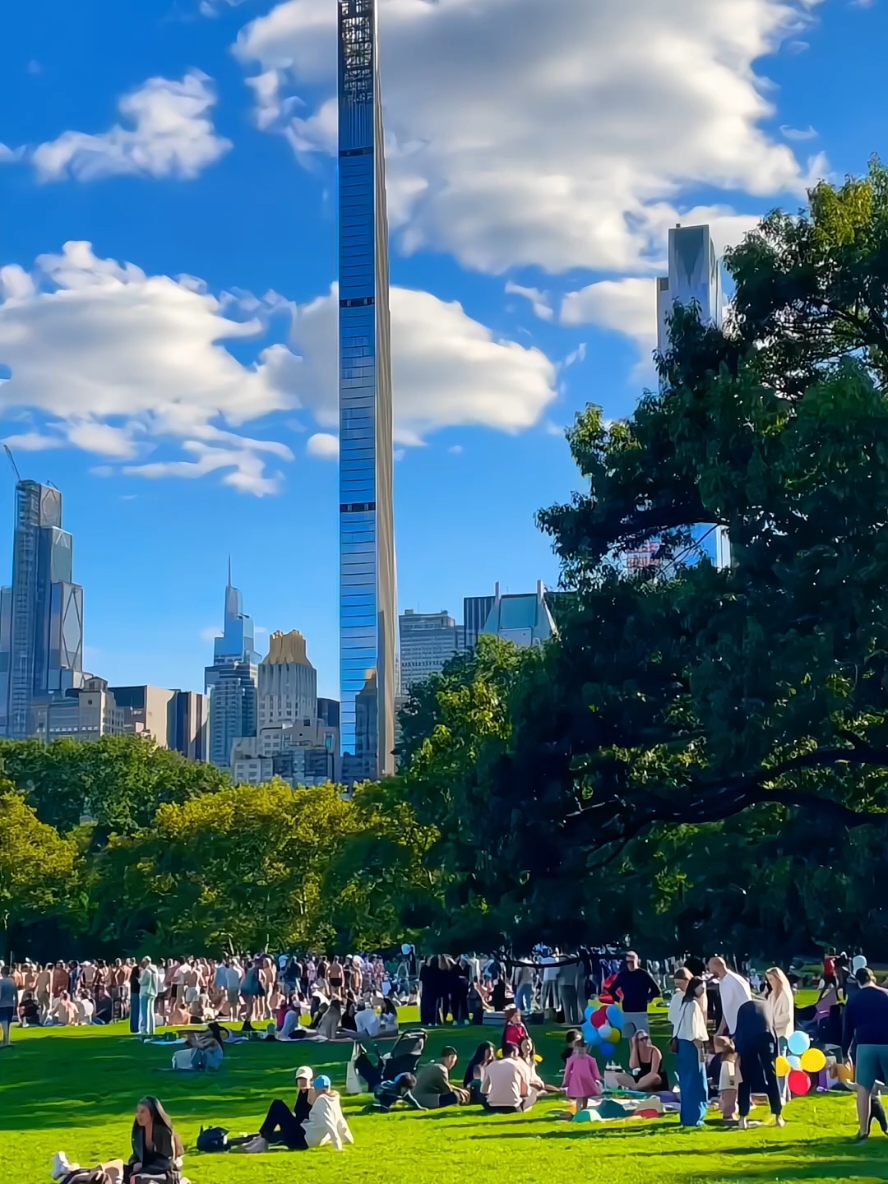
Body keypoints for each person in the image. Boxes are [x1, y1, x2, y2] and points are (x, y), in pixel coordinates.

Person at [53, 1096, 184, 1184]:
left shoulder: (164, 1133)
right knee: (117, 1165)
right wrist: (136, 1163)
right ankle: (70, 1170)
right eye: (137, 1111)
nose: (139, 1115)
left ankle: (67, 1170)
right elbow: (136, 1156)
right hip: (141, 1169)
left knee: (136, 1178)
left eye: (143, 1111)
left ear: (152, 1113)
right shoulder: (140, 1132)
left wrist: (144, 1167)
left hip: (163, 1174)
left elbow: (167, 1164)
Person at [843, 966, 888, 1140]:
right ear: (873, 978)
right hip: (887, 1043)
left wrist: (845, 1052)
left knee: (863, 1089)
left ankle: (863, 1131)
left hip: (865, 1046)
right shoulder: (886, 995)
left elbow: (847, 1029)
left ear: (858, 982)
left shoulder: (854, 999)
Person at [734, 996, 783, 1129]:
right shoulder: (767, 1006)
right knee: (771, 1075)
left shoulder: (743, 1009)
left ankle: (742, 1118)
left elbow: (739, 1031)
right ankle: (778, 1115)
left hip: (749, 1039)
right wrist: (776, 1053)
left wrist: (738, 1051)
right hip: (766, 1037)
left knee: (745, 1078)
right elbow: (773, 1029)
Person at [242, 1066, 315, 1152]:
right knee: (278, 1106)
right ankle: (262, 1138)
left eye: (304, 1079)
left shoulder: (312, 1093)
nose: (302, 1082)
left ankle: (262, 1140)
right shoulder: (301, 1093)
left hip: (302, 1139)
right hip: (297, 1134)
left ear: (311, 1080)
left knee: (278, 1106)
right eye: (300, 1079)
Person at [674, 975, 709, 1128]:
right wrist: (700, 1050)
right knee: (696, 1082)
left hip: (682, 1046)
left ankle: (687, 1117)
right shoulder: (694, 1005)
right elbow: (694, 1032)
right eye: (701, 987)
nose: (703, 990)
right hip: (692, 1046)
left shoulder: (684, 1003)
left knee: (686, 1082)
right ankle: (695, 1117)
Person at [612, 951, 660, 1039]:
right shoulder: (623, 975)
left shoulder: (643, 974)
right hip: (626, 1012)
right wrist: (617, 998)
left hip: (640, 1012)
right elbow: (612, 988)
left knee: (643, 1039)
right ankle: (633, 1053)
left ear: (637, 961)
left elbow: (656, 990)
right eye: (628, 962)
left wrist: (646, 998)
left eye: (632, 962)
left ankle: (644, 1053)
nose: (630, 964)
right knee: (629, 1039)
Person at [481, 1042, 532, 1113]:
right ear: (514, 1053)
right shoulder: (519, 1065)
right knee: (532, 1095)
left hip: (492, 1106)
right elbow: (524, 1092)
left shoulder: (491, 1065)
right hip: (513, 1106)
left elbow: (483, 1090)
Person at [709, 957, 752, 1038]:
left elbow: (745, 1003)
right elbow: (727, 1009)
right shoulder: (726, 981)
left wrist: (720, 1031)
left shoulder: (731, 982)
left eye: (710, 968)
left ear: (716, 966)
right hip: (736, 1027)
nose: (710, 971)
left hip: (741, 1027)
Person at [563, 1039, 602, 1111]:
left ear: (586, 1049)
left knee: (585, 1095)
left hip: (587, 1079)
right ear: (575, 1049)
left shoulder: (589, 1059)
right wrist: (566, 1080)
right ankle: (578, 1111)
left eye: (583, 1050)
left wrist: (597, 1076)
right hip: (577, 1079)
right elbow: (568, 1070)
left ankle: (584, 1109)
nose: (581, 1052)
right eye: (579, 1049)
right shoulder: (573, 1059)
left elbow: (594, 1068)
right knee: (579, 1096)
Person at [713, 1035, 738, 1122]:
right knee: (729, 1089)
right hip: (729, 1064)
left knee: (732, 1089)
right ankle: (728, 1114)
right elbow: (717, 1039)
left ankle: (729, 1113)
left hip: (731, 1063)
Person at [138, 958, 161, 1037]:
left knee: (145, 1012)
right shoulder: (155, 970)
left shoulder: (147, 971)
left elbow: (143, 982)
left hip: (145, 992)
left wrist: (139, 979)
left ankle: (145, 1029)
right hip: (153, 992)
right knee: (150, 1012)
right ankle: (151, 1029)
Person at [0, 963, 15, 1047]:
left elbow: (0, 993)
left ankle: (6, 1041)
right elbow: (15, 993)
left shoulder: (1, 982)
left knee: (3, 1022)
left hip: (2, 1004)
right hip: (11, 1004)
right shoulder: (12, 981)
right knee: (8, 1024)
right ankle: (6, 1040)